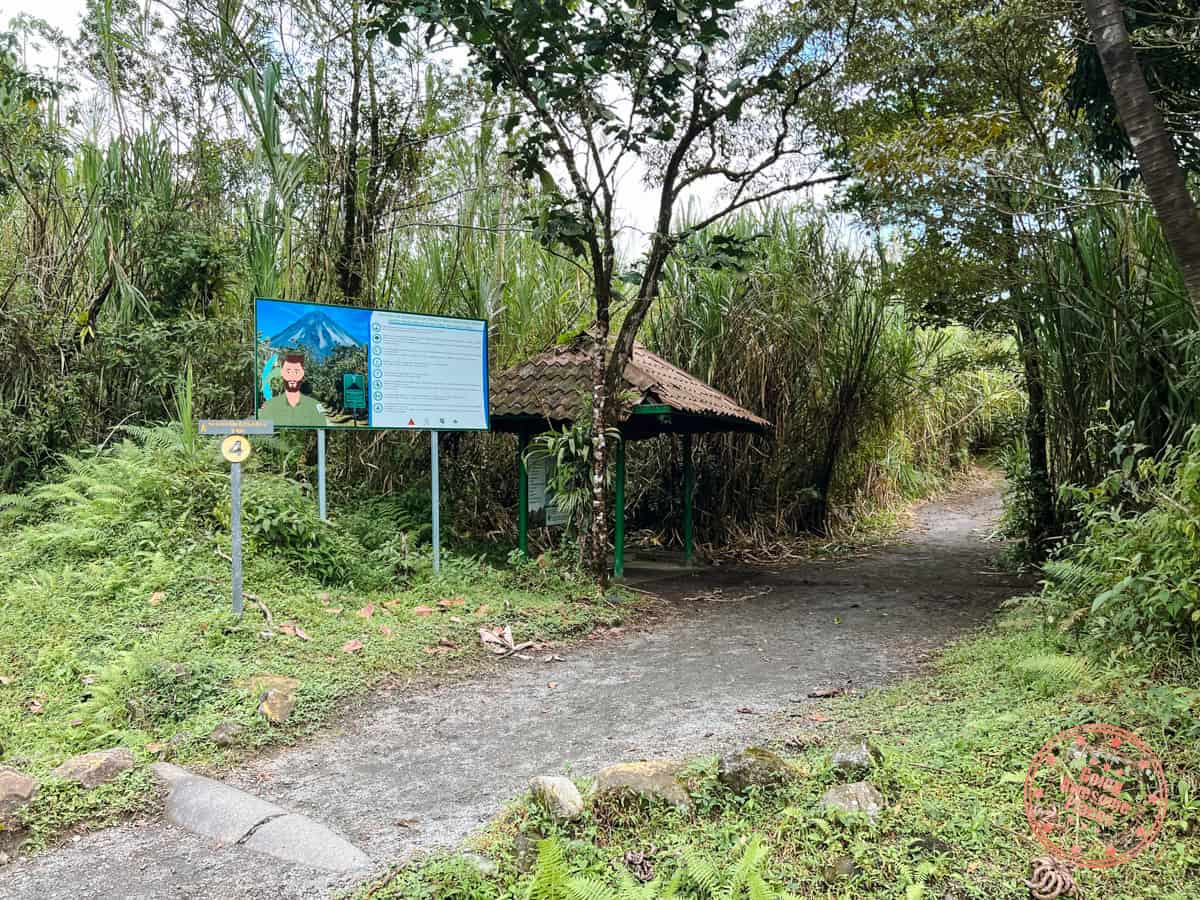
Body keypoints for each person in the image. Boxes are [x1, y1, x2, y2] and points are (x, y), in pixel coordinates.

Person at [259, 352, 327, 427]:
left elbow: (321, 427)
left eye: (296, 371)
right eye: (288, 371)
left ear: (302, 374)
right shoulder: (270, 406)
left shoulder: (315, 406)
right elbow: (261, 430)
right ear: (282, 373)